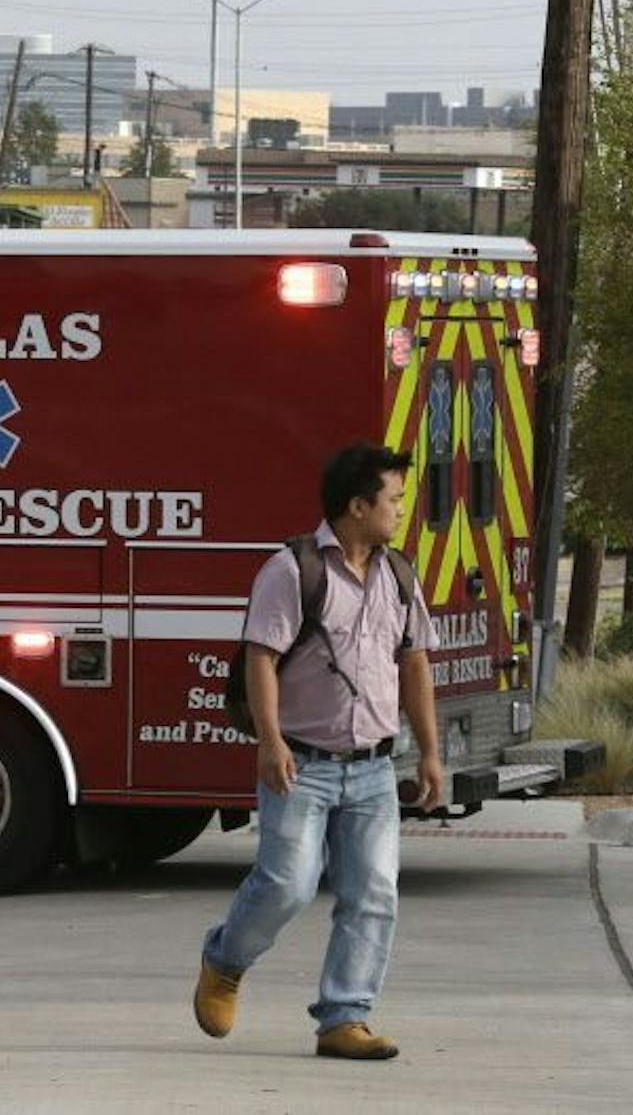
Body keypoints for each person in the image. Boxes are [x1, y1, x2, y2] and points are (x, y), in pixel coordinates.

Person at [195, 442, 443, 1060]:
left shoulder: (399, 574)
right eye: (394, 500)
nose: (401, 511)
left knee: (373, 894)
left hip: (373, 768)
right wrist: (270, 741)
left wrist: (431, 755)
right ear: (358, 506)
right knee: (287, 885)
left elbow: (414, 665)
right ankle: (225, 960)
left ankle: (344, 1018)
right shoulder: (291, 570)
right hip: (302, 763)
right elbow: (262, 658)